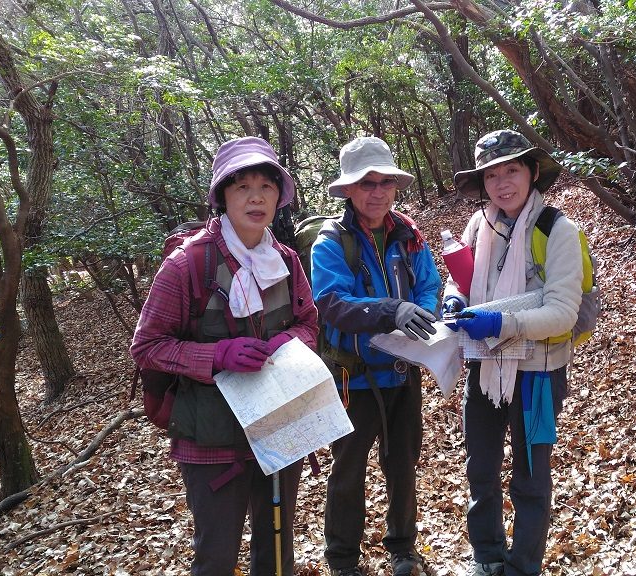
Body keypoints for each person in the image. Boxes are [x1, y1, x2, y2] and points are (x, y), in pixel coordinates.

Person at [131, 136, 317, 576]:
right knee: (216, 553)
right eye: (242, 187)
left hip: (277, 423)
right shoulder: (187, 265)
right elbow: (147, 346)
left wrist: (287, 344)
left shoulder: (285, 260)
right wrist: (218, 355)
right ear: (222, 198)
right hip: (211, 439)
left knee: (276, 550)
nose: (256, 197)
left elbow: (309, 322)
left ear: (279, 196)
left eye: (267, 186)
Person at [442, 130, 583, 576]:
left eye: (512, 170)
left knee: (531, 477)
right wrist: (454, 299)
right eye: (492, 174)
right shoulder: (479, 225)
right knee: (480, 468)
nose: (503, 183)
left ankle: (523, 566)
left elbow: (563, 312)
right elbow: (461, 280)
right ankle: (487, 556)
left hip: (538, 372)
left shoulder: (557, 230)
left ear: (532, 172)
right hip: (484, 366)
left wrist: (503, 324)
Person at [311, 136, 441, 576]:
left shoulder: (408, 236)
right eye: (367, 183)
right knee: (348, 471)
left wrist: (424, 314)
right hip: (354, 377)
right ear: (348, 190)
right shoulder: (331, 242)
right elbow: (331, 304)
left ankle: (403, 548)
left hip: (403, 373)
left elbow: (429, 285)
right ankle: (343, 560)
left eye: (386, 182)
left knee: (402, 463)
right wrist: (392, 311)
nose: (378, 191)